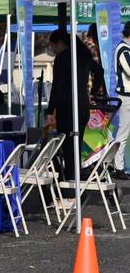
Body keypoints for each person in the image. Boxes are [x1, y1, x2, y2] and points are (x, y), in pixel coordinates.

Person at [49, 28, 100, 188]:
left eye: (53, 45)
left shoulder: (62, 58)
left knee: (67, 146)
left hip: (66, 107)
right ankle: (75, 180)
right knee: (76, 146)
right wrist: (92, 93)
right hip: (82, 104)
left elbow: (56, 86)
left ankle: (71, 184)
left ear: (59, 43)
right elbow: (100, 71)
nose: (53, 49)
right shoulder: (83, 56)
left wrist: (51, 110)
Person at [114, 23, 130, 178]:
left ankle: (119, 166)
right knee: (123, 132)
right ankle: (118, 167)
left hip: (127, 97)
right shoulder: (123, 50)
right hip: (126, 97)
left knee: (123, 132)